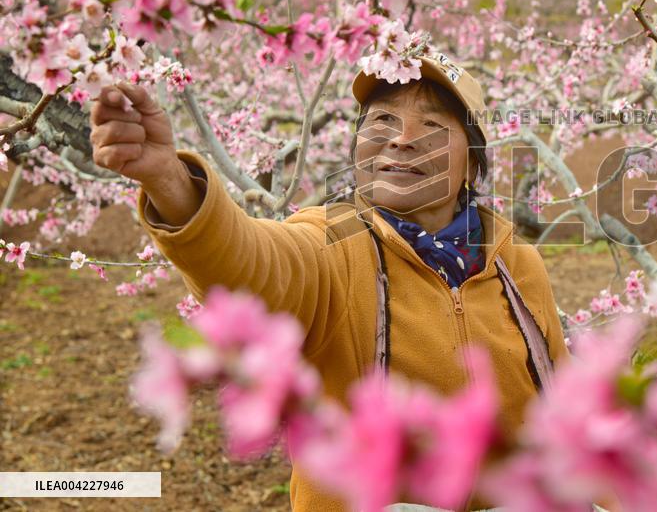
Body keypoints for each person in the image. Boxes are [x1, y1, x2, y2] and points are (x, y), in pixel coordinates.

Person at [89, 55, 574, 512]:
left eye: (432, 125)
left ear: (471, 164)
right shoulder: (331, 244)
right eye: (381, 120)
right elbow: (251, 264)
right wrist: (170, 181)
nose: (402, 139)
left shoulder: (519, 266)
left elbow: (570, 420)